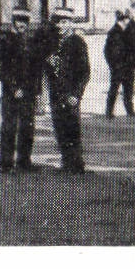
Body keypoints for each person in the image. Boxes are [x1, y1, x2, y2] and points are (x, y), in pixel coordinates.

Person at [0, 8, 43, 172]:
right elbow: (0, 69)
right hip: (11, 93)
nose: (22, 24)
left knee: (28, 127)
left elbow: (37, 70)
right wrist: (14, 88)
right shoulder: (5, 41)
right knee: (9, 126)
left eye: (24, 21)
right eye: (18, 21)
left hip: (29, 92)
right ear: (13, 22)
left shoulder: (32, 43)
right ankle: (6, 163)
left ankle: (24, 161)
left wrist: (38, 92)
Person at [45, 10, 91, 174]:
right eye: (58, 22)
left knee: (72, 127)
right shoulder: (53, 42)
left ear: (71, 23)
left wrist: (76, 94)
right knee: (59, 126)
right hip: (56, 92)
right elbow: (48, 68)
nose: (60, 26)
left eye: (64, 22)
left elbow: (85, 72)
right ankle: (66, 161)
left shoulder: (77, 42)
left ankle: (77, 164)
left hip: (71, 93)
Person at [104, 8, 135, 118]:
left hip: (128, 66)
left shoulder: (127, 31)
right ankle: (109, 112)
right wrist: (114, 65)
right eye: (128, 19)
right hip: (118, 66)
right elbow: (109, 52)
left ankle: (129, 110)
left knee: (129, 89)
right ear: (123, 19)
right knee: (114, 89)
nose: (129, 21)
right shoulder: (114, 32)